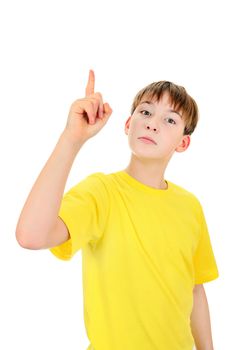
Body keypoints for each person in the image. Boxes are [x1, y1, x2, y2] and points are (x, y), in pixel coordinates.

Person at [15, 69, 219, 350]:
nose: (152, 124)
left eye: (170, 119)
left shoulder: (190, 206)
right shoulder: (101, 193)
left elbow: (195, 288)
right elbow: (31, 236)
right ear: (127, 124)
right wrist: (71, 139)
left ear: (183, 142)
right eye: (145, 113)